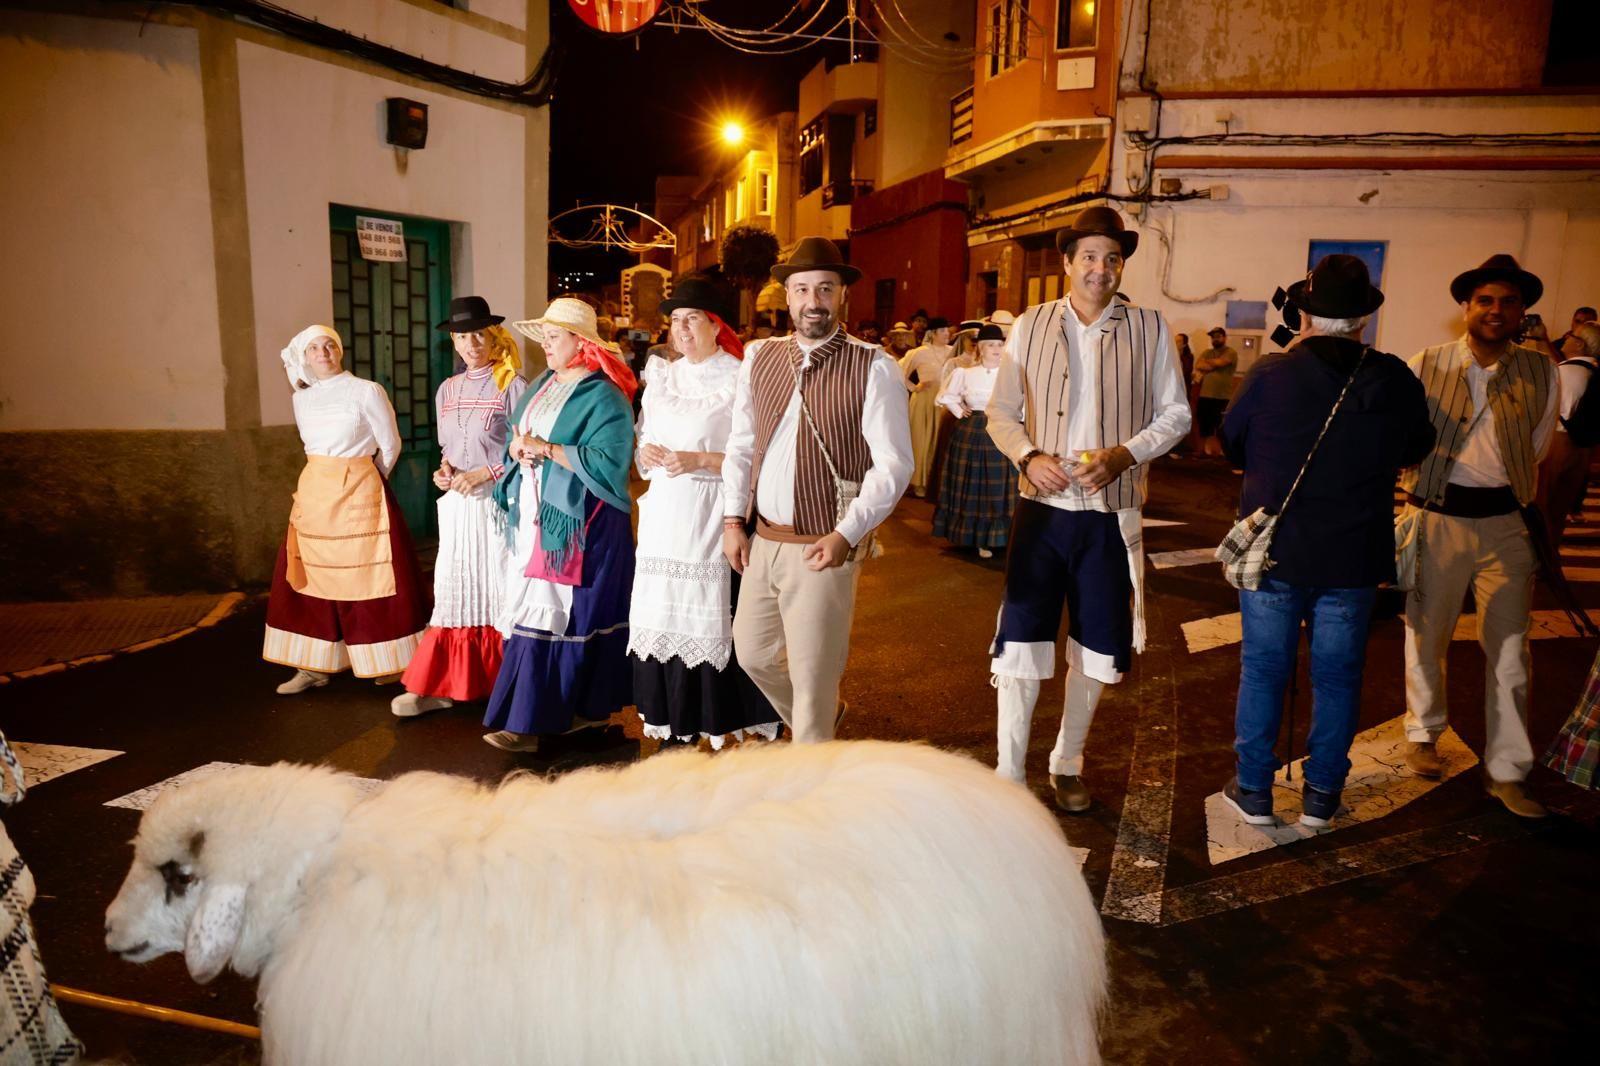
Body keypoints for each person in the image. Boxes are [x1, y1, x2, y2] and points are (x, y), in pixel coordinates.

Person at [1217, 256, 1434, 828]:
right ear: (1363, 318)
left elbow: (1232, 444)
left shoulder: (1269, 374)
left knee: (1264, 670)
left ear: (1305, 313)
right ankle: (1322, 797)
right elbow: (1417, 445)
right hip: (1354, 557)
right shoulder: (1391, 377)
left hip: (1278, 551)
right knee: (1337, 676)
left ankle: (1255, 791)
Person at [985, 206, 1191, 810]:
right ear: (1068, 263)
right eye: (1090, 257)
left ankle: (1067, 761)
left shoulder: (1151, 327)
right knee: (1022, 641)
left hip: (1111, 514)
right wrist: (1028, 456)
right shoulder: (1029, 325)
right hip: (1042, 508)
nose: (1101, 268)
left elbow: (1176, 413)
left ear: (1121, 265)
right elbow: (1001, 412)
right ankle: (1007, 773)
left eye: (1113, 258)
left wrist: (1125, 455)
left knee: (1099, 646)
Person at [722, 237, 914, 743]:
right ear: (787, 296)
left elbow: (894, 464)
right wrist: (732, 523)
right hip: (763, 539)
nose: (813, 301)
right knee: (752, 653)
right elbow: (742, 445)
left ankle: (815, 788)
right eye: (802, 289)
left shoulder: (874, 365)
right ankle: (820, 718)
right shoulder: (759, 357)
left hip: (822, 546)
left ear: (842, 296)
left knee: (812, 676)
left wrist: (846, 533)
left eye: (825, 289)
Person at [1400, 254, 1558, 819]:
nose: (1496, 311)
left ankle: (1508, 771)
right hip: (1436, 516)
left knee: (1513, 652)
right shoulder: (1425, 364)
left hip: (1506, 525)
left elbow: (1537, 446)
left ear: (1522, 313)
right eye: (1486, 301)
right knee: (1426, 632)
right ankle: (1423, 733)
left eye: (1508, 302)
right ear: (1466, 308)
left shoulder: (1543, 370)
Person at [629, 276, 780, 748]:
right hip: (666, 516)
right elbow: (641, 442)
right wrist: (647, 452)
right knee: (667, 621)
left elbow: (760, 457)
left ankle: (726, 722)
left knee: (718, 621)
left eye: (692, 319)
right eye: (675, 321)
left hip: (717, 512)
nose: (682, 330)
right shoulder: (661, 376)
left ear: (716, 326)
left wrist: (700, 460)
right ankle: (677, 723)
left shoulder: (740, 378)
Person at [482, 298, 639, 752]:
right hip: (540, 513)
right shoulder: (546, 384)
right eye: (545, 337)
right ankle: (539, 716)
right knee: (541, 608)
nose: (546, 346)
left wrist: (547, 450)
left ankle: (548, 720)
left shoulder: (604, 394)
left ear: (582, 343)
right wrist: (518, 449)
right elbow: (520, 432)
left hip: (582, 521)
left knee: (568, 614)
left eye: (554, 338)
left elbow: (610, 461)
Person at [264, 326, 430, 694]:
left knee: (371, 578)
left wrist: (368, 478)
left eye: (329, 345)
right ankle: (313, 665)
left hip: (360, 489)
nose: (323, 352)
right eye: (313, 348)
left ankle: (387, 659)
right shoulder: (301, 399)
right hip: (315, 493)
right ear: (304, 357)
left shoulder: (366, 390)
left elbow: (390, 444)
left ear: (339, 350)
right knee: (312, 579)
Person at [393, 298, 528, 717]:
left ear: (492, 337)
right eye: (462, 336)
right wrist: (445, 470)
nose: (471, 343)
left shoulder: (513, 385)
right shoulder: (447, 391)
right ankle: (441, 685)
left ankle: (509, 689)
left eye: (479, 335)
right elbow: (448, 451)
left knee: (498, 590)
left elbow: (526, 450)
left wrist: (487, 472)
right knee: (454, 591)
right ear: (453, 341)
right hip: (458, 506)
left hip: (498, 504)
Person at [932, 323, 1015, 559]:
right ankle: (977, 538)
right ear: (980, 348)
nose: (997, 349)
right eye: (991, 345)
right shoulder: (966, 373)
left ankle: (1000, 536)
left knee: (1000, 485)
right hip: (973, 431)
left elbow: (1021, 404)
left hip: (1002, 430)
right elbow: (945, 397)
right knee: (974, 483)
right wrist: (959, 411)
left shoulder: (1010, 374)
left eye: (1000, 344)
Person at [1538, 321, 1600, 543]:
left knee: (1543, 506)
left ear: (1580, 344)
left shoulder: (1563, 372)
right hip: (1583, 449)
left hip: (1558, 444)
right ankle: (1553, 556)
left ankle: (1542, 566)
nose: (1566, 337)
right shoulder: (1593, 373)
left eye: (1572, 335)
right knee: (1560, 509)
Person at [901, 316, 954, 497]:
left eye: (947, 330)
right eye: (942, 331)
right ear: (932, 334)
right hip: (925, 400)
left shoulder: (953, 351)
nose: (947, 334)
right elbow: (899, 372)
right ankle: (919, 483)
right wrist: (914, 387)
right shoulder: (920, 352)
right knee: (923, 440)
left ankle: (937, 482)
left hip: (945, 400)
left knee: (939, 440)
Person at [1194, 326, 1238, 456]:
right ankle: (1204, 452)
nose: (1215, 339)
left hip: (1222, 396)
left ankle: (1221, 453)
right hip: (1205, 395)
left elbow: (1222, 362)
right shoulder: (1207, 352)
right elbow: (1199, 365)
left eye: (1218, 336)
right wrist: (1215, 363)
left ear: (1224, 338)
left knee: (1220, 425)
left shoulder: (1231, 352)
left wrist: (1210, 364)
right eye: (1213, 337)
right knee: (1204, 423)